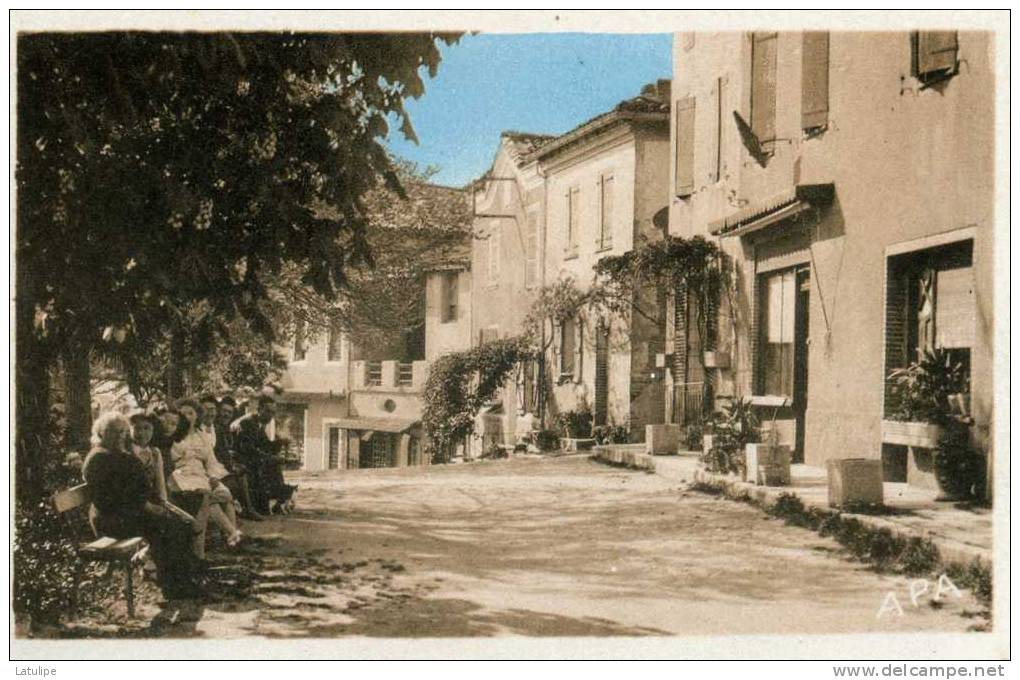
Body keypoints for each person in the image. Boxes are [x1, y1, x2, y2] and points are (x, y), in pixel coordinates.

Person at [82, 412, 202, 601]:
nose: (119, 436)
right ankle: (174, 587)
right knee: (168, 527)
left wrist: (153, 506)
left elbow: (137, 486)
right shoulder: (99, 458)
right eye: (113, 432)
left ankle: (181, 582)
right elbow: (115, 497)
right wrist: (147, 507)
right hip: (111, 520)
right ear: (101, 433)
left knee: (180, 524)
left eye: (122, 432)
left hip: (128, 514)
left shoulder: (117, 454)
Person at [168, 399, 243, 547]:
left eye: (191, 413)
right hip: (181, 475)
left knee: (225, 493)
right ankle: (232, 533)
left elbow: (211, 461)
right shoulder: (173, 436)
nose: (187, 417)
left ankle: (231, 538)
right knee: (207, 498)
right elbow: (171, 460)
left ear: (197, 416)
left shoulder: (201, 436)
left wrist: (213, 477)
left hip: (201, 474)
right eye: (183, 414)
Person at [236, 395, 295, 515]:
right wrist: (270, 458)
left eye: (273, 413)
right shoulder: (247, 423)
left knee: (275, 463)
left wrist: (281, 441)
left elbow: (266, 445)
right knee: (273, 463)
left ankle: (279, 499)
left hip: (256, 461)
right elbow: (249, 449)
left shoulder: (259, 426)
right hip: (245, 462)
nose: (270, 416)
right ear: (259, 409)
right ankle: (276, 498)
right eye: (267, 411)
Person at [214, 396, 263, 521]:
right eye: (224, 411)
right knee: (240, 473)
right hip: (215, 466)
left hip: (222, 463)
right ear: (219, 411)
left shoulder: (225, 428)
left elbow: (227, 449)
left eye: (229, 412)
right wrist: (230, 464)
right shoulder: (215, 427)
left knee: (244, 469)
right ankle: (247, 509)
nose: (226, 414)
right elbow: (219, 452)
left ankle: (246, 509)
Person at [130, 413, 168, 503]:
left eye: (147, 428)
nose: (142, 433)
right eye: (137, 428)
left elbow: (160, 482)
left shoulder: (155, 452)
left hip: (150, 498)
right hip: (132, 499)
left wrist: (163, 502)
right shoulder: (127, 451)